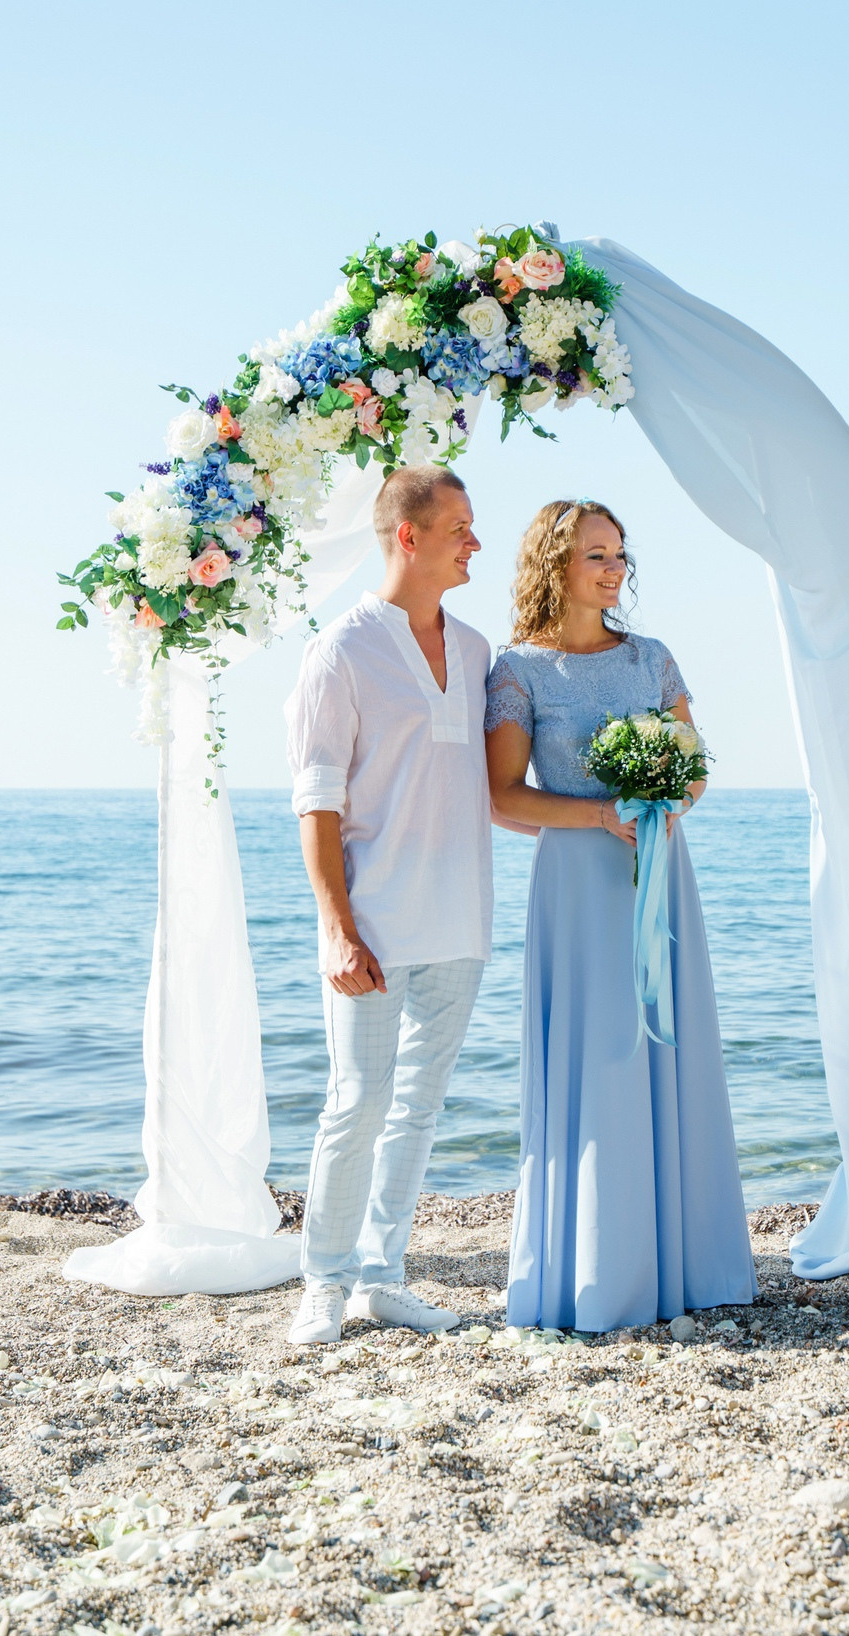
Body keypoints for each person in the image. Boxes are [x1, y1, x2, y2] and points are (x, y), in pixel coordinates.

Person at [484, 500, 756, 1333]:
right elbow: (501, 796)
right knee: (597, 1058)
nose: (614, 570)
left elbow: (695, 767)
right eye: (596, 555)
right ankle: (597, 1268)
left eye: (620, 556)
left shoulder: (653, 658)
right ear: (555, 565)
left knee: (671, 1051)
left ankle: (688, 1265)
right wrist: (599, 814)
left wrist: (666, 800)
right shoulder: (519, 669)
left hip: (659, 871)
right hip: (577, 884)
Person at [283, 466, 494, 1344]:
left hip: (461, 922)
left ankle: (383, 1274)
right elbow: (316, 800)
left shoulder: (479, 652)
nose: (474, 541)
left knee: (418, 1108)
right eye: (459, 528)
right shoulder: (342, 650)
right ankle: (322, 1284)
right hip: (372, 925)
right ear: (408, 536)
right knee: (357, 1103)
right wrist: (336, 925)